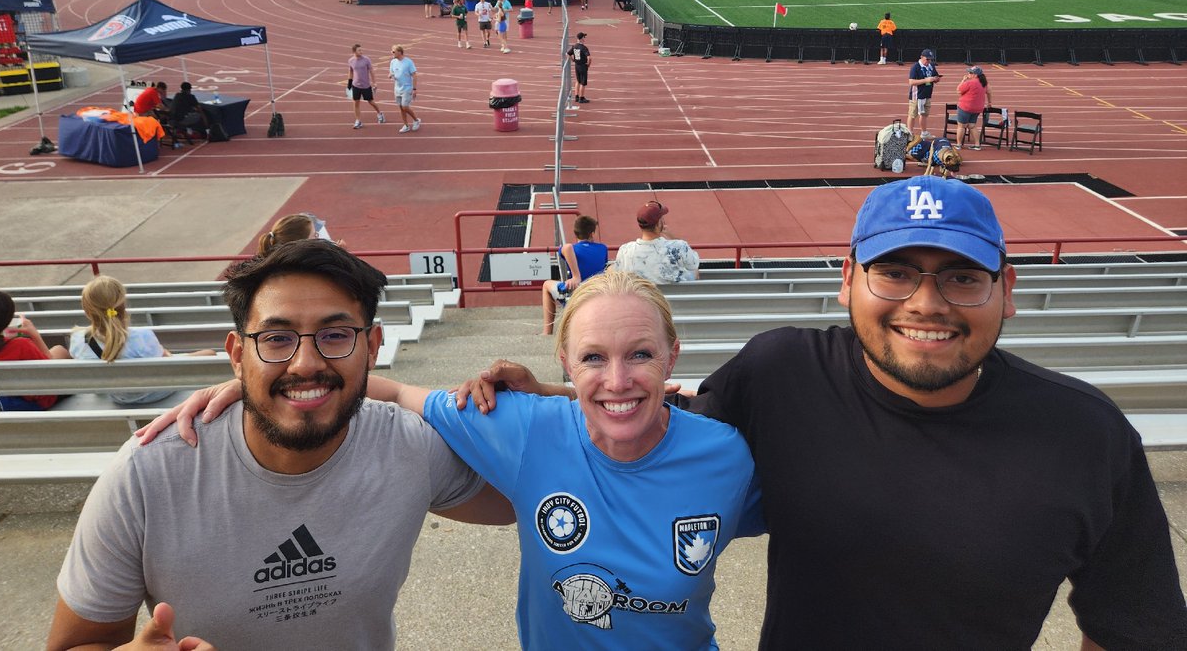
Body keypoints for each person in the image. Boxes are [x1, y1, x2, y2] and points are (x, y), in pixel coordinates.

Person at [463, 177, 1187, 650]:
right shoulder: (781, 373)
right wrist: (564, 394)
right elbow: (658, 431)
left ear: (1008, 289)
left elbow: (1136, 629)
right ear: (848, 281)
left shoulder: (1085, 436)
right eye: (896, 272)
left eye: (963, 277)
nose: (927, 303)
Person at [141, 268, 763, 649]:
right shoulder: (524, 426)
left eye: (642, 356)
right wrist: (262, 390)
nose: (618, 379)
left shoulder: (727, 456)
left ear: (673, 357)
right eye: (594, 357)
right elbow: (393, 391)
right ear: (565, 364)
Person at [48, 241, 512, 650]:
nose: (305, 363)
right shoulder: (147, 475)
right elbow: (80, 642)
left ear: (372, 347)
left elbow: (536, 498)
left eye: (335, 335)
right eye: (276, 339)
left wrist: (561, 397)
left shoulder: (410, 447)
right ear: (237, 355)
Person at [66, 276, 215, 404]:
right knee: (210, 353)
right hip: (156, 393)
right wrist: (167, 355)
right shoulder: (141, 336)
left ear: (87, 311)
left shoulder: (78, 339)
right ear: (122, 305)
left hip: (119, 397)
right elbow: (165, 366)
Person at [0, 289, 69, 412]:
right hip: (28, 402)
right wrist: (35, 335)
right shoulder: (21, 345)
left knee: (59, 351)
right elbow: (51, 373)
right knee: (61, 352)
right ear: (8, 318)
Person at [540, 215, 608, 334]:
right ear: (592, 234)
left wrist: (576, 276)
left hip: (576, 292)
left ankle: (547, 332)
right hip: (598, 291)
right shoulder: (603, 248)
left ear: (576, 233)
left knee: (546, 285)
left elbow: (566, 248)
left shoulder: (572, 248)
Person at [614, 201, 699, 284]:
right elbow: (693, 265)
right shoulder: (679, 246)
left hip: (641, 297)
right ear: (659, 224)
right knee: (694, 270)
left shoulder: (625, 250)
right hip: (674, 297)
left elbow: (617, 275)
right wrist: (672, 237)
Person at [347, 43, 385, 129]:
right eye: (359, 50)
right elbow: (350, 71)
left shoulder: (366, 59)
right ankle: (358, 121)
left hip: (366, 85)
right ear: (354, 51)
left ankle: (380, 113)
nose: (361, 51)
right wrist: (349, 83)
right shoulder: (351, 61)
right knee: (356, 102)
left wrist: (374, 82)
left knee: (371, 101)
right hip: (355, 85)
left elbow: (371, 71)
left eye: (361, 50)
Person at [906, 48, 941, 137]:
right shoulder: (916, 67)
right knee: (912, 114)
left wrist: (936, 79)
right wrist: (926, 80)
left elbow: (935, 75)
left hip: (927, 94)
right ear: (921, 57)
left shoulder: (931, 66)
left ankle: (924, 132)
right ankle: (909, 132)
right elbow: (911, 82)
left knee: (924, 114)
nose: (928, 61)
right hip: (917, 95)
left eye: (930, 59)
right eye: (927, 59)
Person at [955, 65, 989, 150]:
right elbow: (989, 91)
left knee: (961, 126)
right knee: (972, 126)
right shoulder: (984, 83)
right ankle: (977, 144)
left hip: (966, 107)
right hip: (977, 108)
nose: (968, 74)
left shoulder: (970, 82)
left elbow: (958, 90)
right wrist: (990, 102)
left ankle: (958, 144)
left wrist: (963, 80)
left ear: (975, 75)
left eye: (970, 73)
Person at [389, 44, 420, 133]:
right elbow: (391, 72)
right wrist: (391, 75)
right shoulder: (393, 62)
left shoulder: (408, 62)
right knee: (401, 107)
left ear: (399, 52)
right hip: (397, 88)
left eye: (394, 51)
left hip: (407, 88)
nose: (392, 53)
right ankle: (406, 125)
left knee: (405, 107)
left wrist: (414, 89)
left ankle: (416, 120)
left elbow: (414, 75)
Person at [567, 31, 590, 104]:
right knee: (583, 83)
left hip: (577, 65)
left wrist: (573, 59)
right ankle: (581, 97)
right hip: (583, 65)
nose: (585, 39)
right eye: (584, 37)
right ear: (581, 39)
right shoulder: (584, 48)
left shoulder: (574, 46)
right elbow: (589, 58)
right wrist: (588, 64)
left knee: (578, 81)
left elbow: (568, 54)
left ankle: (576, 96)